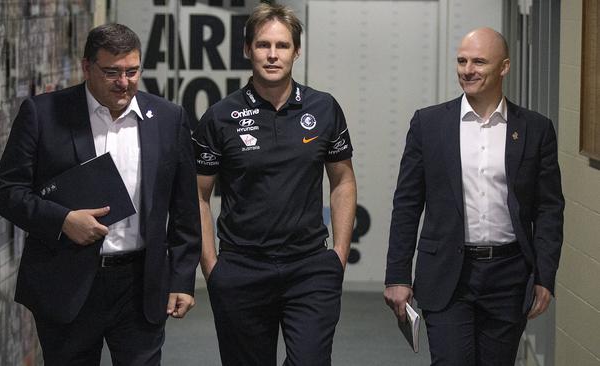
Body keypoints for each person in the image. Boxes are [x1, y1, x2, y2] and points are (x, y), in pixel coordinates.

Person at [0, 23, 201, 365]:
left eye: (132, 71)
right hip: (66, 284)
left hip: (140, 284)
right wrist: (63, 220)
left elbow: (184, 208)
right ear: (87, 67)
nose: (124, 82)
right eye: (111, 72)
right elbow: (5, 192)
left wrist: (182, 278)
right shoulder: (43, 114)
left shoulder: (168, 117)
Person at [384, 27, 564, 365]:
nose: (468, 70)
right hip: (447, 274)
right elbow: (407, 203)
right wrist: (397, 274)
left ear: (504, 67)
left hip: (509, 276)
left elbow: (550, 208)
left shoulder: (534, 129)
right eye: (462, 61)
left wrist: (544, 276)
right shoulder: (429, 124)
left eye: (479, 62)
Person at [192, 3, 357, 365]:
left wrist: (338, 256)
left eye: (282, 46)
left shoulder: (324, 108)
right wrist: (212, 267)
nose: (272, 55)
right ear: (247, 49)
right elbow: (198, 195)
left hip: (310, 267)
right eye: (263, 45)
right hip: (240, 269)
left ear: (296, 51)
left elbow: (342, 180)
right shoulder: (220, 117)